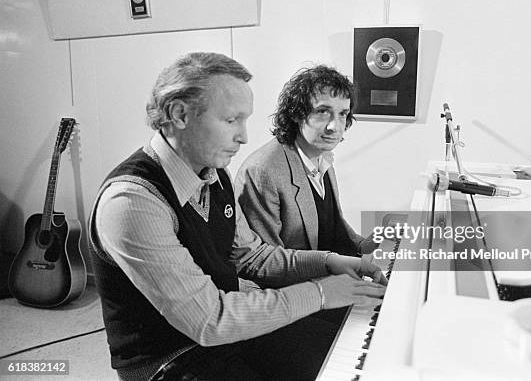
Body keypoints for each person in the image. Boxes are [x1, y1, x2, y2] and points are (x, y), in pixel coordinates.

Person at [88, 53, 386, 381]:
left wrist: (330, 262)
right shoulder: (131, 200)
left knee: (359, 352)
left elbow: (252, 256)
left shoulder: (216, 173)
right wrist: (321, 292)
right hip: (175, 357)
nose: (243, 136)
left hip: (229, 331)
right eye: (231, 120)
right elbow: (208, 321)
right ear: (179, 114)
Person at [235, 65, 377, 257]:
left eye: (342, 114)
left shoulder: (323, 156)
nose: (335, 126)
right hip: (300, 284)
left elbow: (331, 225)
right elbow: (268, 261)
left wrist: (371, 242)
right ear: (296, 113)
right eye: (323, 111)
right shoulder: (262, 171)